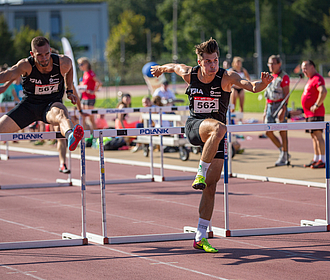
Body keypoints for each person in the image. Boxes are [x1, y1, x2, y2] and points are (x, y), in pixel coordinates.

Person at [151, 38, 273, 253]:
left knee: (211, 187)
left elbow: (251, 86)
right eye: (208, 61)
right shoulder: (190, 73)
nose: (212, 65)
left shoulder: (226, 77)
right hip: (196, 127)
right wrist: (160, 69)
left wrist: (263, 84)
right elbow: (173, 66)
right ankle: (200, 171)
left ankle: (200, 236)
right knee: (219, 127)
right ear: (200, 61)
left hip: (217, 137)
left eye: (215, 60)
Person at [0, 36, 84, 155]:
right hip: (28, 107)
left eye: (47, 54)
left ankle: (71, 136)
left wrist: (69, 90)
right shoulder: (26, 65)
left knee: (61, 113)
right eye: (39, 55)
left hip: (51, 106)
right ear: (32, 54)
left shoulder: (62, 62)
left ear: (50, 50)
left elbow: (70, 67)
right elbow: (7, 75)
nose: (44, 58)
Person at [263, 55, 290, 166]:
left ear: (279, 64)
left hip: (280, 105)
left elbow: (286, 94)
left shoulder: (283, 77)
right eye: (269, 63)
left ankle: (284, 155)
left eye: (273, 63)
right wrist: (265, 110)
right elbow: (268, 94)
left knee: (282, 131)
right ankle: (282, 150)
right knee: (267, 131)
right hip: (270, 105)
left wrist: (283, 109)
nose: (271, 66)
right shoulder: (269, 76)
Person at [301, 60, 327, 168]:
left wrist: (316, 105)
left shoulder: (317, 78)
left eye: (306, 68)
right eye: (303, 69)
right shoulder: (310, 79)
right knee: (313, 136)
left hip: (315, 113)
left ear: (312, 67)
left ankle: (323, 160)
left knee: (318, 135)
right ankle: (316, 158)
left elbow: (323, 91)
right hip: (309, 114)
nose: (304, 71)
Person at [78, 57, 102, 131]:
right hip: (84, 97)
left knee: (91, 118)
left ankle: (94, 137)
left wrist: (94, 91)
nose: (80, 66)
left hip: (90, 98)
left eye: (81, 64)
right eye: (79, 64)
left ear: (86, 64)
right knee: (83, 119)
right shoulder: (84, 73)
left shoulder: (90, 73)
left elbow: (99, 82)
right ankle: (84, 137)